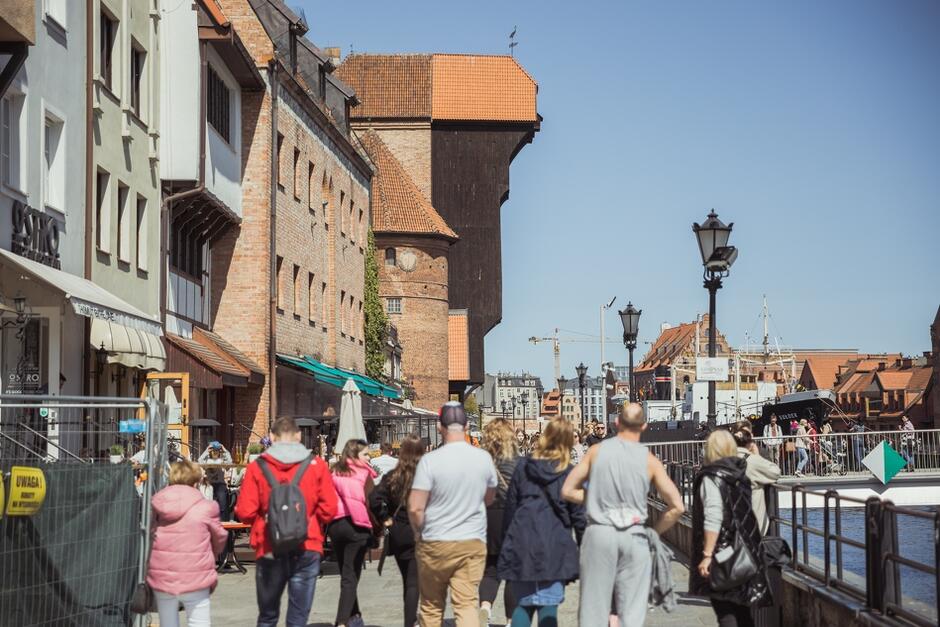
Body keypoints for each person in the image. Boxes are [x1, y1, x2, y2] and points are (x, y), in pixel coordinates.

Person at [561, 403, 685, 626]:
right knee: (632, 611)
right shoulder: (650, 460)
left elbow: (567, 490)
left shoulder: (596, 452)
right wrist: (653, 532)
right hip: (634, 534)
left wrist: (594, 498)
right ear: (644, 426)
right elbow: (677, 506)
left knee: (593, 609)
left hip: (600, 532)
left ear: (616, 423)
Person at [235, 417, 338, 627]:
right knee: (298, 618)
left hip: (269, 545)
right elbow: (330, 510)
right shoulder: (316, 465)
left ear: (272, 437)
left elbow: (245, 512)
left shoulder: (257, 467)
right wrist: (308, 518)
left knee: (267, 616)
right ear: (299, 436)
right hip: (307, 544)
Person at [408, 402, 498, 627]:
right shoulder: (483, 458)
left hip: (436, 540)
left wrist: (420, 532)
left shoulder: (429, 461)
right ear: (467, 426)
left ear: (441, 427)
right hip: (471, 540)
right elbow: (489, 499)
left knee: (431, 606)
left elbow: (415, 507)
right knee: (467, 604)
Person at [498, 417, 586, 627]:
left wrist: (507, 543)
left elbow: (511, 507)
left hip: (523, 540)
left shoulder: (523, 467)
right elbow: (578, 516)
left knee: (524, 605)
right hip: (555, 542)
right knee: (548, 607)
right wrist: (584, 546)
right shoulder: (569, 473)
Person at [690, 430, 768, 626]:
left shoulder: (711, 477)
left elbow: (713, 516)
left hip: (722, 552)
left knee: (725, 610)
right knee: (743, 611)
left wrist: (707, 554)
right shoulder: (741, 474)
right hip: (746, 550)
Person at [147, 459, 228, 627]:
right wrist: (212, 552)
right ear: (196, 480)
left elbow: (150, 533)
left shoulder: (157, 503)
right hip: (196, 574)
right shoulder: (207, 507)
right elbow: (220, 537)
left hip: (163, 575)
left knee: (168, 623)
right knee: (199, 623)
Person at [369, 434, 425, 627]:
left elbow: (374, 498)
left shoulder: (393, 476)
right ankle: (412, 622)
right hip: (420, 529)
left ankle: (410, 620)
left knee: (407, 581)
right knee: (414, 582)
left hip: (399, 531)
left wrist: (385, 517)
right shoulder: (426, 475)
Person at [328, 439, 377, 627]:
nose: (368, 457)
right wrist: (377, 529)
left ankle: (355, 616)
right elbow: (371, 504)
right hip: (357, 527)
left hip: (336, 526)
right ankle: (341, 622)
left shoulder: (333, 471)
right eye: (365, 454)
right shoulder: (364, 474)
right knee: (350, 576)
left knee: (347, 572)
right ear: (355, 455)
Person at [478, 418, 521, 626]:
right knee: (513, 571)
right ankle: (511, 620)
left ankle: (485, 606)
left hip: (488, 517)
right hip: (512, 517)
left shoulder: (480, 461)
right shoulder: (518, 462)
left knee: (490, 569)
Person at [732, 421, 781, 535]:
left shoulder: (725, 458)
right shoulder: (756, 458)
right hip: (754, 520)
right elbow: (775, 472)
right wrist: (757, 457)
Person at [199, 441, 232, 520]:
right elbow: (200, 461)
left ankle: (223, 523)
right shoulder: (207, 460)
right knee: (208, 505)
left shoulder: (222, 460)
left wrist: (225, 451)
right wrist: (207, 451)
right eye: (213, 450)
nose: (215, 452)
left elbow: (229, 464)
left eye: (217, 450)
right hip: (209, 485)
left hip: (220, 484)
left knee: (222, 506)